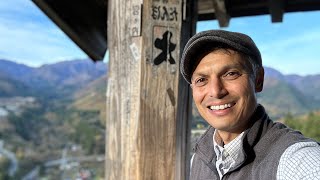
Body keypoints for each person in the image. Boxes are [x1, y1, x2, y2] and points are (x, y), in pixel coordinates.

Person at [180, 30, 320, 180]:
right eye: (201, 80)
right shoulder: (199, 158)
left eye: (231, 74)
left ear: (258, 80)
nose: (215, 91)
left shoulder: (295, 160)